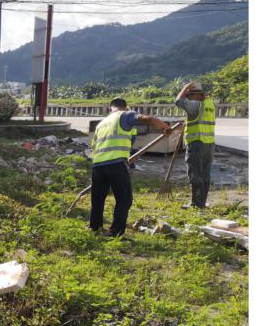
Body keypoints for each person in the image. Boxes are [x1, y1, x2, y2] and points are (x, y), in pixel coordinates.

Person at [88, 98, 173, 237]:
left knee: (98, 199)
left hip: (98, 165)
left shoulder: (101, 123)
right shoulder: (125, 114)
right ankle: (115, 233)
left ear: (110, 108)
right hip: (116, 163)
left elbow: (94, 146)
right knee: (124, 199)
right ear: (124, 107)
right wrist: (165, 127)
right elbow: (149, 119)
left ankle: (95, 228)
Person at [175, 80, 216, 210]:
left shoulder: (195, 105)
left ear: (196, 95)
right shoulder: (209, 104)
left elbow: (178, 101)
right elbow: (198, 120)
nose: (188, 98)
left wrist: (185, 88)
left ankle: (196, 204)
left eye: (189, 95)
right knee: (205, 173)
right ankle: (202, 203)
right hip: (209, 144)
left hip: (197, 144)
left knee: (195, 173)